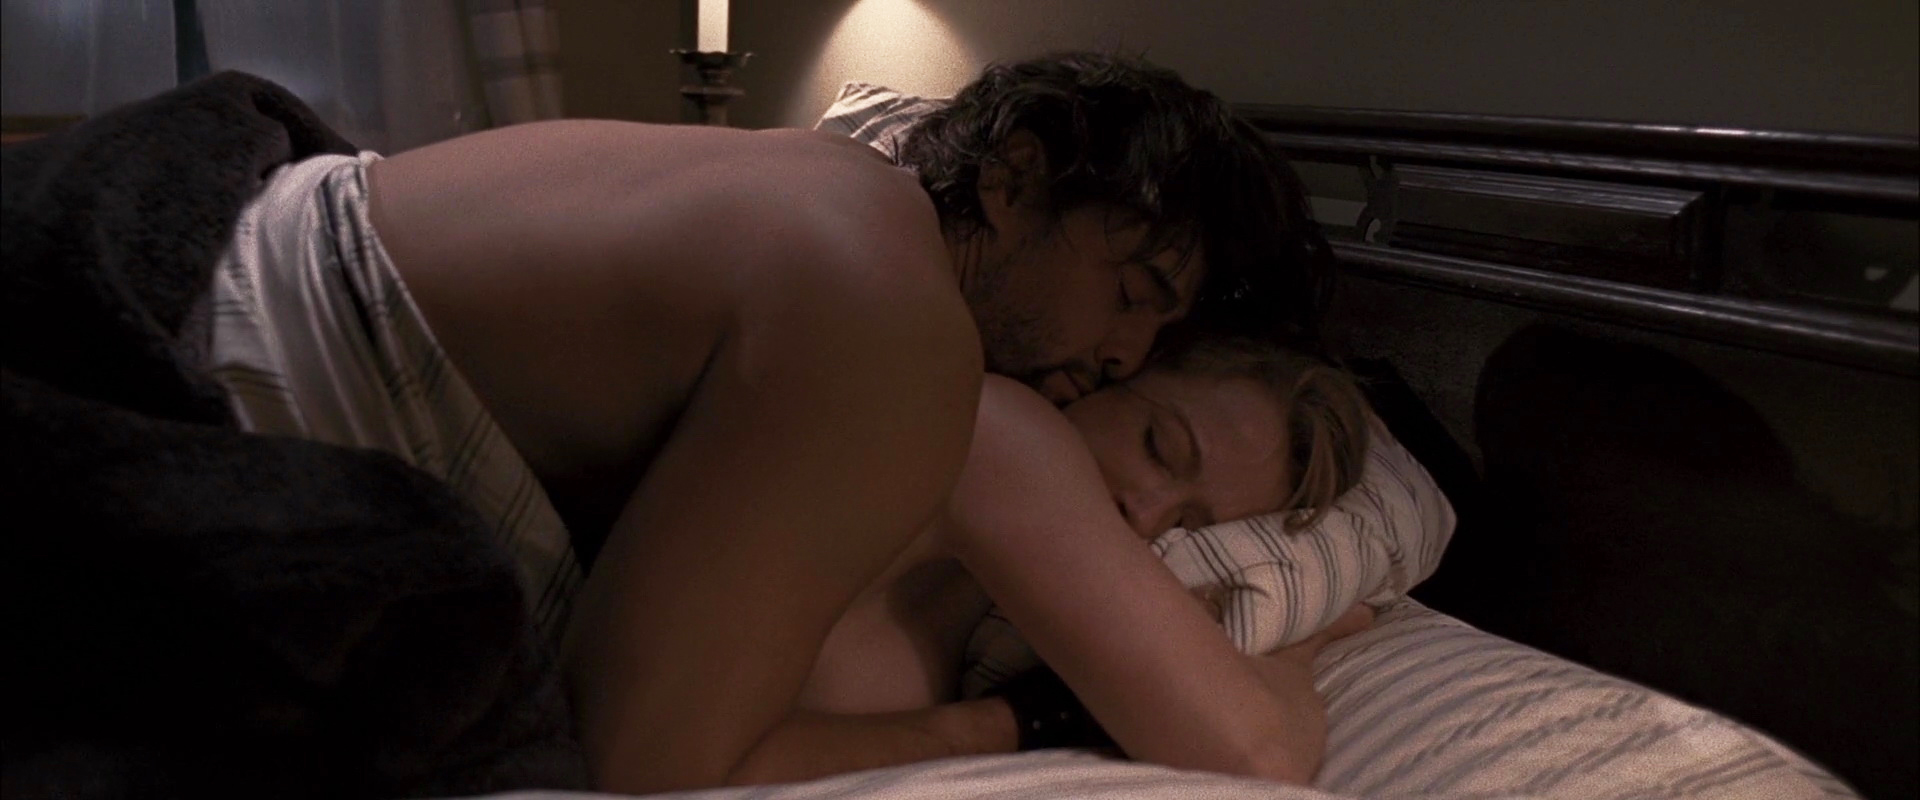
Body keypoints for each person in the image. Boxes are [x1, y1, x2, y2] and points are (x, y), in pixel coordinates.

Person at [198, 52, 1331, 792]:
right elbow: (648, 764)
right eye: (1131, 291)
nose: (1123, 352)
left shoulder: (831, 188)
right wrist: (1013, 724)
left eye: (1153, 335)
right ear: (1013, 178)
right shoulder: (892, 316)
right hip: (209, 365)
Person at [754, 333, 1377, 786]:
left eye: (1190, 525)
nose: (1146, 515)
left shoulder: (997, 580)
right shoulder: (987, 440)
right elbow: (1260, 757)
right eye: (1157, 447)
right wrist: (1300, 652)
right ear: (1104, 375)